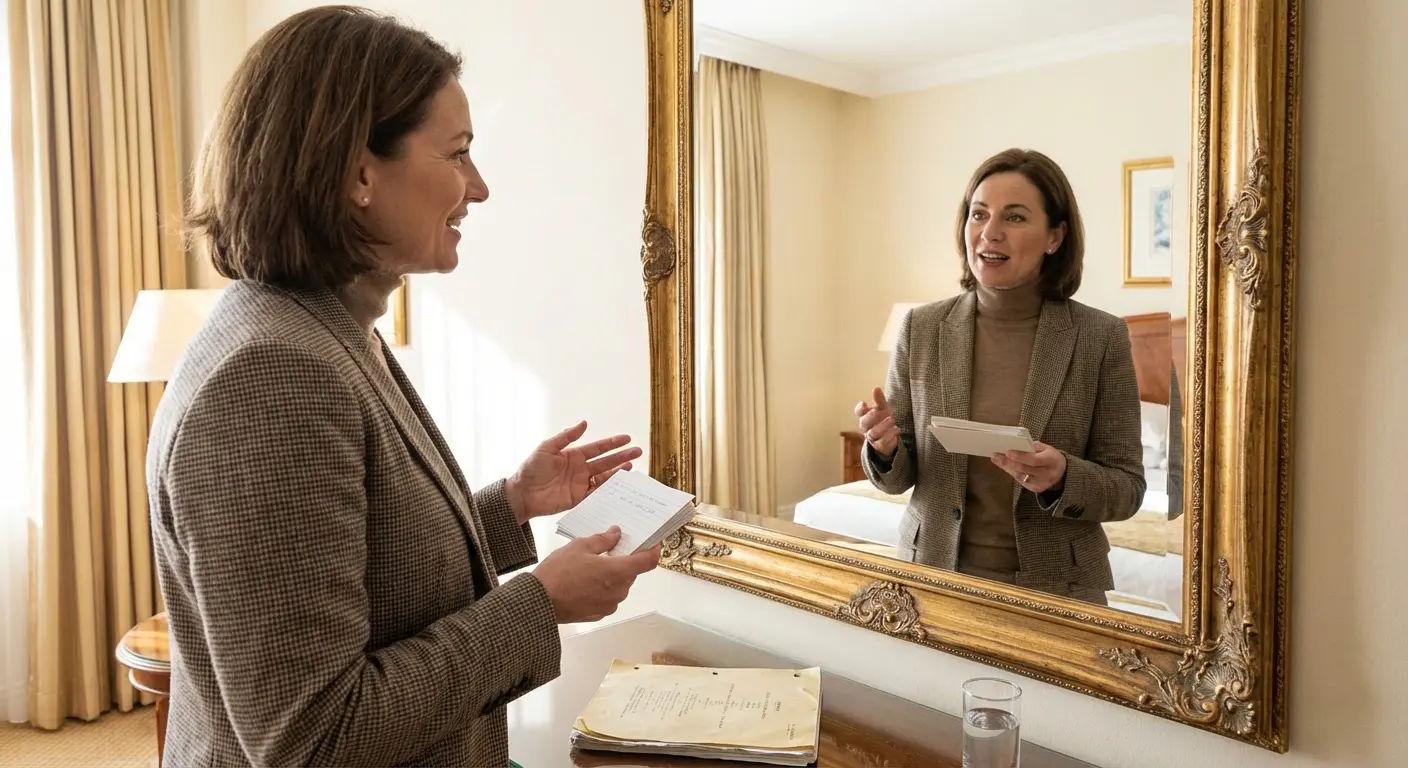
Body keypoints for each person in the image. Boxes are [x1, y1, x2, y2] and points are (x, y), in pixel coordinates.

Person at [147, 7, 661, 766]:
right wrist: (541, 605)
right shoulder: (271, 377)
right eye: (457, 155)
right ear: (359, 172)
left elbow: (362, 574)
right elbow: (313, 739)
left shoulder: (325, 328)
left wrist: (508, 507)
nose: (478, 188)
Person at [854, 148, 1145, 605]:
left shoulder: (1100, 337)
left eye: (1014, 217)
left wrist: (1063, 476)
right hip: (931, 578)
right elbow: (896, 480)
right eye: (979, 214)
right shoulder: (921, 327)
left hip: (1057, 590)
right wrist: (885, 448)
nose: (989, 232)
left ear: (1055, 237)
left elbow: (1127, 489)